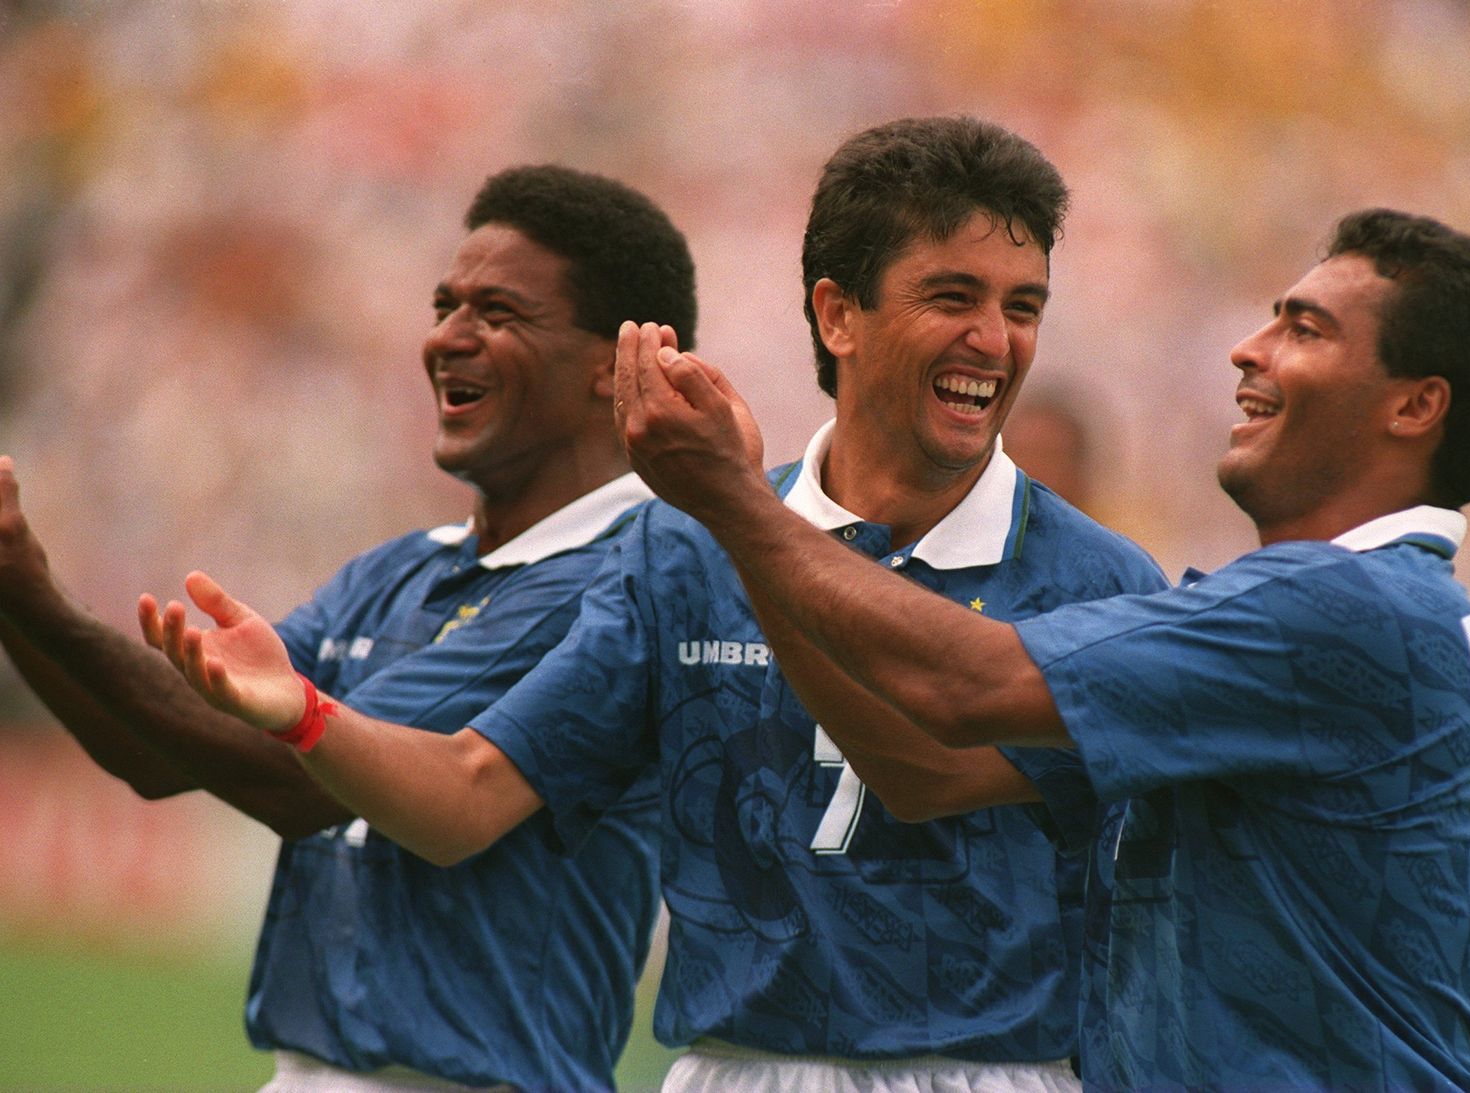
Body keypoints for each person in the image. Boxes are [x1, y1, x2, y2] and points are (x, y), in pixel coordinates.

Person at [143, 116, 1169, 1092]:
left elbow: (942, 785)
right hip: (732, 1068)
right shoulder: (679, 551)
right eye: (952, 297)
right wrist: (306, 713)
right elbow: (467, 797)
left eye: (1023, 307)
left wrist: (733, 510)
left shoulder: (1100, 584)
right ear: (837, 314)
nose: (994, 339)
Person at [604, 208, 1470, 1089]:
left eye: (1305, 330)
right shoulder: (1360, 608)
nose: (1248, 348)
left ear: (1414, 406)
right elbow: (927, 769)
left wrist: (739, 505)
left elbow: (962, 684)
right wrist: (744, 520)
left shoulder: (1344, 608)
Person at [0, 163, 698, 1092]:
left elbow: (299, 782)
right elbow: (164, 751)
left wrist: (31, 588)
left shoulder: (622, 578)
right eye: (445, 306)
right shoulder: (399, 569)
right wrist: (14, 593)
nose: (446, 337)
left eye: (498, 313)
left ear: (616, 363)